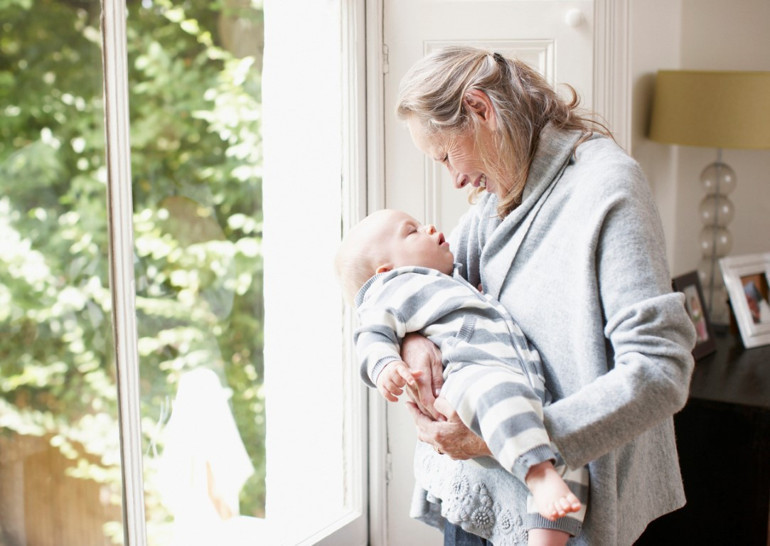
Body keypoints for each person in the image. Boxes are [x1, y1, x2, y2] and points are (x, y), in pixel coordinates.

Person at [394, 46, 697, 545]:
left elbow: (660, 370)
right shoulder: (500, 196)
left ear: (479, 108)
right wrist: (412, 344)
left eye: (447, 154)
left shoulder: (607, 186)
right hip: (478, 495)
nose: (455, 179)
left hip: (559, 507)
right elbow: (419, 284)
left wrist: (512, 441)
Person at [335, 208, 587, 545]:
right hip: (472, 379)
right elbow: (370, 335)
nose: (429, 227)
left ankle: (546, 536)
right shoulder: (392, 288)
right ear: (386, 271)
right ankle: (538, 474)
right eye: (412, 231)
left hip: (522, 388)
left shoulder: (450, 280)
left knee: (569, 459)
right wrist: (385, 366)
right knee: (538, 453)